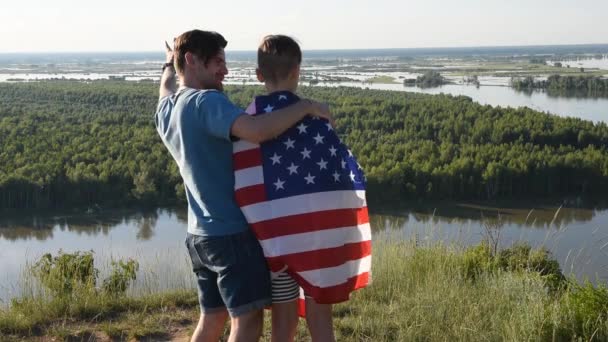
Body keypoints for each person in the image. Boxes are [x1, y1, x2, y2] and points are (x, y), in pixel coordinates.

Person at [154, 29, 333, 342]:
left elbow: (167, 87)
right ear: (192, 60)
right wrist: (305, 107)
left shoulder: (167, 109)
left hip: (200, 236)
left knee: (211, 318)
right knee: (247, 322)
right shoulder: (205, 101)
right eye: (218, 63)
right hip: (231, 235)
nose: (225, 70)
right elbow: (257, 130)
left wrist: (168, 65)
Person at [232, 35, 372, 342]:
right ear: (298, 71)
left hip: (272, 244)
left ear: (259, 75)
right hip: (317, 242)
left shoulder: (245, 123)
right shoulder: (317, 121)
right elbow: (343, 180)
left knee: (283, 320)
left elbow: (240, 182)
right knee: (320, 317)